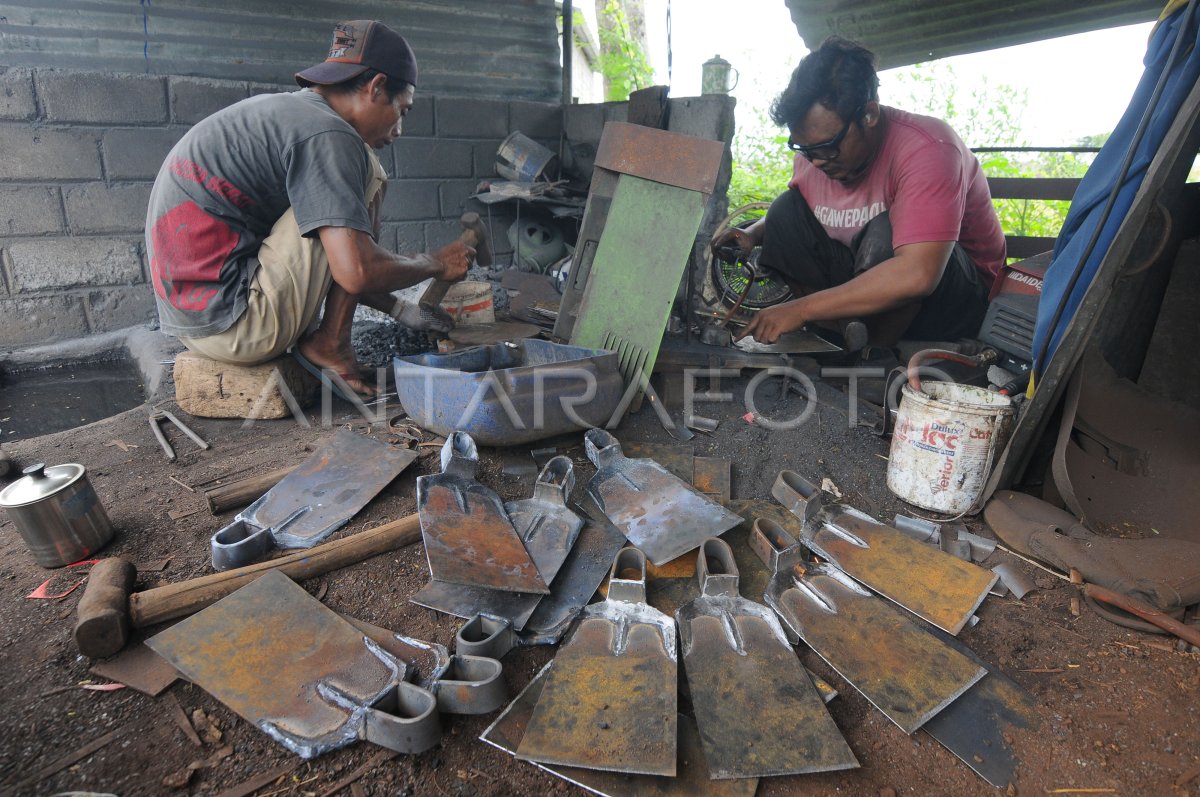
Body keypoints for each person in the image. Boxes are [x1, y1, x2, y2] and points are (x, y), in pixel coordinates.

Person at [145, 19, 473, 399]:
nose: (399, 128)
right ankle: (331, 343)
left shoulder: (290, 116)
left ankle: (333, 341)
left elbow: (339, 265)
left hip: (196, 325)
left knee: (339, 218)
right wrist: (435, 262)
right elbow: (355, 270)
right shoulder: (330, 135)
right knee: (371, 173)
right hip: (238, 328)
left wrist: (402, 310)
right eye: (403, 110)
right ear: (376, 86)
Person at [723, 36, 1006, 352]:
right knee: (785, 211)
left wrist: (799, 309)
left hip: (950, 300)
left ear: (868, 115)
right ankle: (836, 335)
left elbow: (919, 274)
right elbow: (806, 215)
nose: (815, 161)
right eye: (805, 149)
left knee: (888, 229)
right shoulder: (815, 155)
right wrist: (752, 233)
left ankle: (873, 355)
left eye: (827, 148)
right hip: (868, 285)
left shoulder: (929, 148)